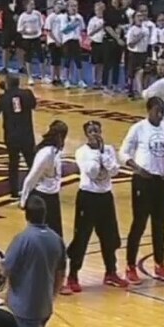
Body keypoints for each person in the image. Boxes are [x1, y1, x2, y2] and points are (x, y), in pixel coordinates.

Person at [0, 196, 66, 327]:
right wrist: (52, 296)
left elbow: (5, 269)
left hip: (25, 306)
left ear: (26, 215)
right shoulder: (56, 239)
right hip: (45, 305)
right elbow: (61, 273)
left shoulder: (23, 239)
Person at [66, 120, 128, 291]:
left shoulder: (108, 149)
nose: (95, 134)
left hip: (105, 197)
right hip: (88, 197)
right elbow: (92, 172)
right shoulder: (81, 152)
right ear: (86, 134)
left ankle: (111, 272)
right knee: (82, 237)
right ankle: (73, 275)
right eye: (91, 131)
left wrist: (103, 153)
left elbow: (114, 171)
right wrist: (98, 155)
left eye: (97, 130)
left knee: (110, 237)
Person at [121, 97, 164, 283]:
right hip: (143, 180)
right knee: (139, 223)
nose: (160, 115)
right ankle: (130, 266)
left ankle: (160, 264)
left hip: (162, 181)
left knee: (160, 224)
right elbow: (123, 152)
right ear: (149, 110)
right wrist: (137, 168)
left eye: (162, 111)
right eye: (156, 111)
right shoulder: (138, 128)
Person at [19, 120, 70, 239]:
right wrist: (23, 200)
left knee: (56, 234)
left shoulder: (56, 151)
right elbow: (31, 177)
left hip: (52, 195)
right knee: (41, 232)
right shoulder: (45, 154)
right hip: (41, 196)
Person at [0, 74, 37, 198]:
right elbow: (33, 105)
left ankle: (14, 191)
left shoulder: (3, 98)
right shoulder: (27, 94)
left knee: (13, 164)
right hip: (27, 134)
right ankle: (37, 186)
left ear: (6, 84)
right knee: (32, 162)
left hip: (12, 136)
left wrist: (2, 97)